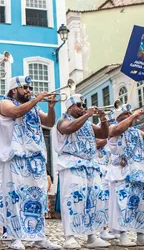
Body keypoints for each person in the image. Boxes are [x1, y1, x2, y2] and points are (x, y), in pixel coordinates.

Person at [0, 76, 60, 250]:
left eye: (30, 88)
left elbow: (49, 122)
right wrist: (37, 99)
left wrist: (50, 107)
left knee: (38, 197)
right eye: (25, 88)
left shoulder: (33, 107)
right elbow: (15, 113)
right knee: (16, 197)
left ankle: (39, 236)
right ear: (14, 90)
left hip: (35, 158)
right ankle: (14, 236)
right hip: (16, 157)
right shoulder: (5, 103)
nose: (29, 91)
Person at [56, 94, 111, 249]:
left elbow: (104, 134)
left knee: (94, 199)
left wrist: (103, 119)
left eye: (83, 105)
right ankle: (69, 236)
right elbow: (67, 129)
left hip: (90, 165)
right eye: (78, 105)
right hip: (72, 163)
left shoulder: (87, 123)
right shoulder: (63, 120)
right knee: (72, 198)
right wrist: (87, 115)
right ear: (69, 107)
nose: (82, 108)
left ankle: (91, 236)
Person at [106, 104, 144, 246]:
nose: (129, 115)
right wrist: (134, 115)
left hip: (137, 172)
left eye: (129, 113)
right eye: (125, 114)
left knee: (140, 204)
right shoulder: (112, 128)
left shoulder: (136, 132)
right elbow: (119, 129)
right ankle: (123, 235)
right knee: (122, 204)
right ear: (118, 117)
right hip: (120, 173)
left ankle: (141, 234)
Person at [95, 114, 116, 241]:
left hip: (108, 172)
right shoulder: (98, 131)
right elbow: (96, 144)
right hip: (98, 170)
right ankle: (99, 231)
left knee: (107, 203)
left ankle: (106, 229)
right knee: (100, 202)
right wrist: (109, 136)